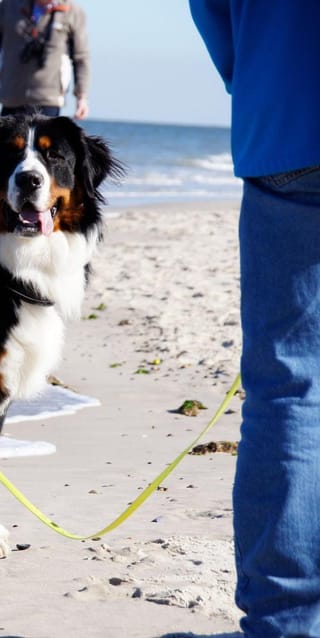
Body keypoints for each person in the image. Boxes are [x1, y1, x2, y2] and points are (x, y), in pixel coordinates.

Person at [191, 2, 320, 636]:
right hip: (282, 120)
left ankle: (287, 620)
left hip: (288, 117)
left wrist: (256, 73)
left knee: (290, 387)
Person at [0, 1, 90, 119]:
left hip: (48, 100)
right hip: (11, 97)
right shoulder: (8, 6)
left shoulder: (72, 12)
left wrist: (82, 97)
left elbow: (80, 58)